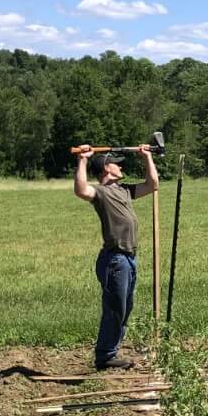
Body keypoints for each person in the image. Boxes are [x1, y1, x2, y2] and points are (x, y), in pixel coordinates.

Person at [72, 143, 159, 370]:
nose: (121, 167)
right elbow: (81, 190)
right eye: (117, 165)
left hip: (129, 259)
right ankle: (105, 355)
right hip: (115, 259)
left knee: (125, 307)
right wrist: (83, 159)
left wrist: (147, 157)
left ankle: (110, 352)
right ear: (106, 169)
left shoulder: (125, 191)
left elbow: (153, 185)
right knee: (115, 307)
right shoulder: (101, 193)